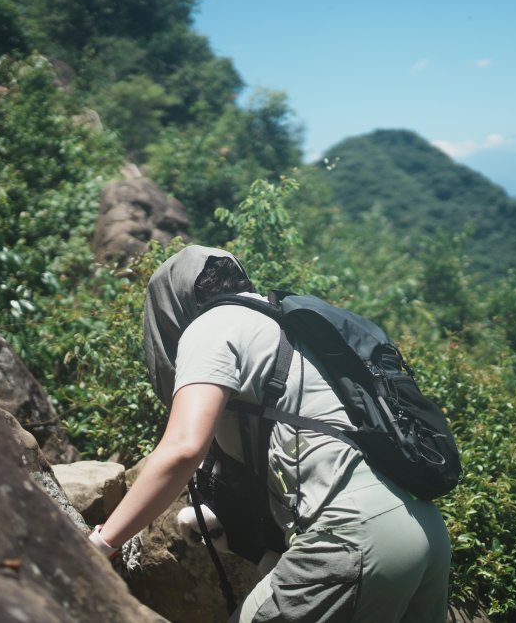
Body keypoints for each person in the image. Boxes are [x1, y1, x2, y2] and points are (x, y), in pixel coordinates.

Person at [89, 245, 451, 622]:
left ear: (175, 304)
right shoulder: (286, 324)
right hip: (424, 530)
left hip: (355, 534)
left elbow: (183, 447)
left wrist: (102, 543)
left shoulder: (211, 325)